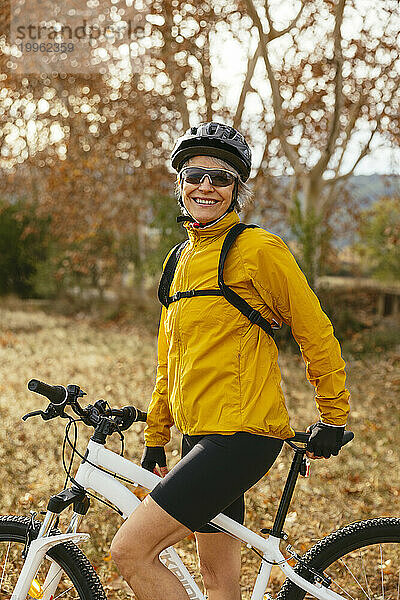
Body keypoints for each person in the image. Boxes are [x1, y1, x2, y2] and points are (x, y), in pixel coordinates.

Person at [110, 122, 350, 600]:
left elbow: (314, 329)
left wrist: (334, 415)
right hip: (197, 434)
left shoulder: (256, 249)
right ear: (180, 184)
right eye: (196, 174)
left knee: (130, 552)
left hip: (242, 437)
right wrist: (157, 439)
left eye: (221, 178)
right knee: (219, 584)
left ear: (237, 190)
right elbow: (170, 360)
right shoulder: (177, 260)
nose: (206, 186)